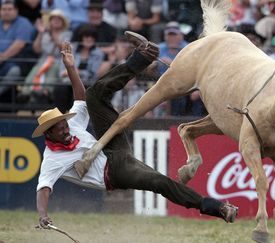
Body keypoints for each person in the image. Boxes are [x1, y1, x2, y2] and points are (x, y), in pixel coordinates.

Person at [34, 33, 238, 229]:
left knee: (94, 94)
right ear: (49, 135)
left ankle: (142, 56)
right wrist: (43, 215)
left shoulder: (71, 125)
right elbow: (44, 189)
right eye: (60, 130)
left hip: (110, 146)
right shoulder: (52, 159)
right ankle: (218, 208)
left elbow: (80, 98)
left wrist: (71, 68)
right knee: (160, 182)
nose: (66, 130)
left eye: (65, 125)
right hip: (115, 173)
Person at [19, 9, 72, 104]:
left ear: (63, 22)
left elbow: (64, 49)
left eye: (58, 19)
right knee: (34, 72)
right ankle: (26, 93)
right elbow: (36, 49)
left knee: (51, 75)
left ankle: (45, 93)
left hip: (59, 61)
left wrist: (53, 35)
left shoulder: (68, 34)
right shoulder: (44, 34)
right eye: (53, 19)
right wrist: (40, 33)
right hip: (43, 60)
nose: (56, 20)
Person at [0, 0, 35, 97]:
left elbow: (19, 44)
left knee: (14, 71)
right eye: (3, 9)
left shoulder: (24, 23)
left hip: (16, 60)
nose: (6, 12)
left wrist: (3, 57)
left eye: (10, 9)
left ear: (16, 11)